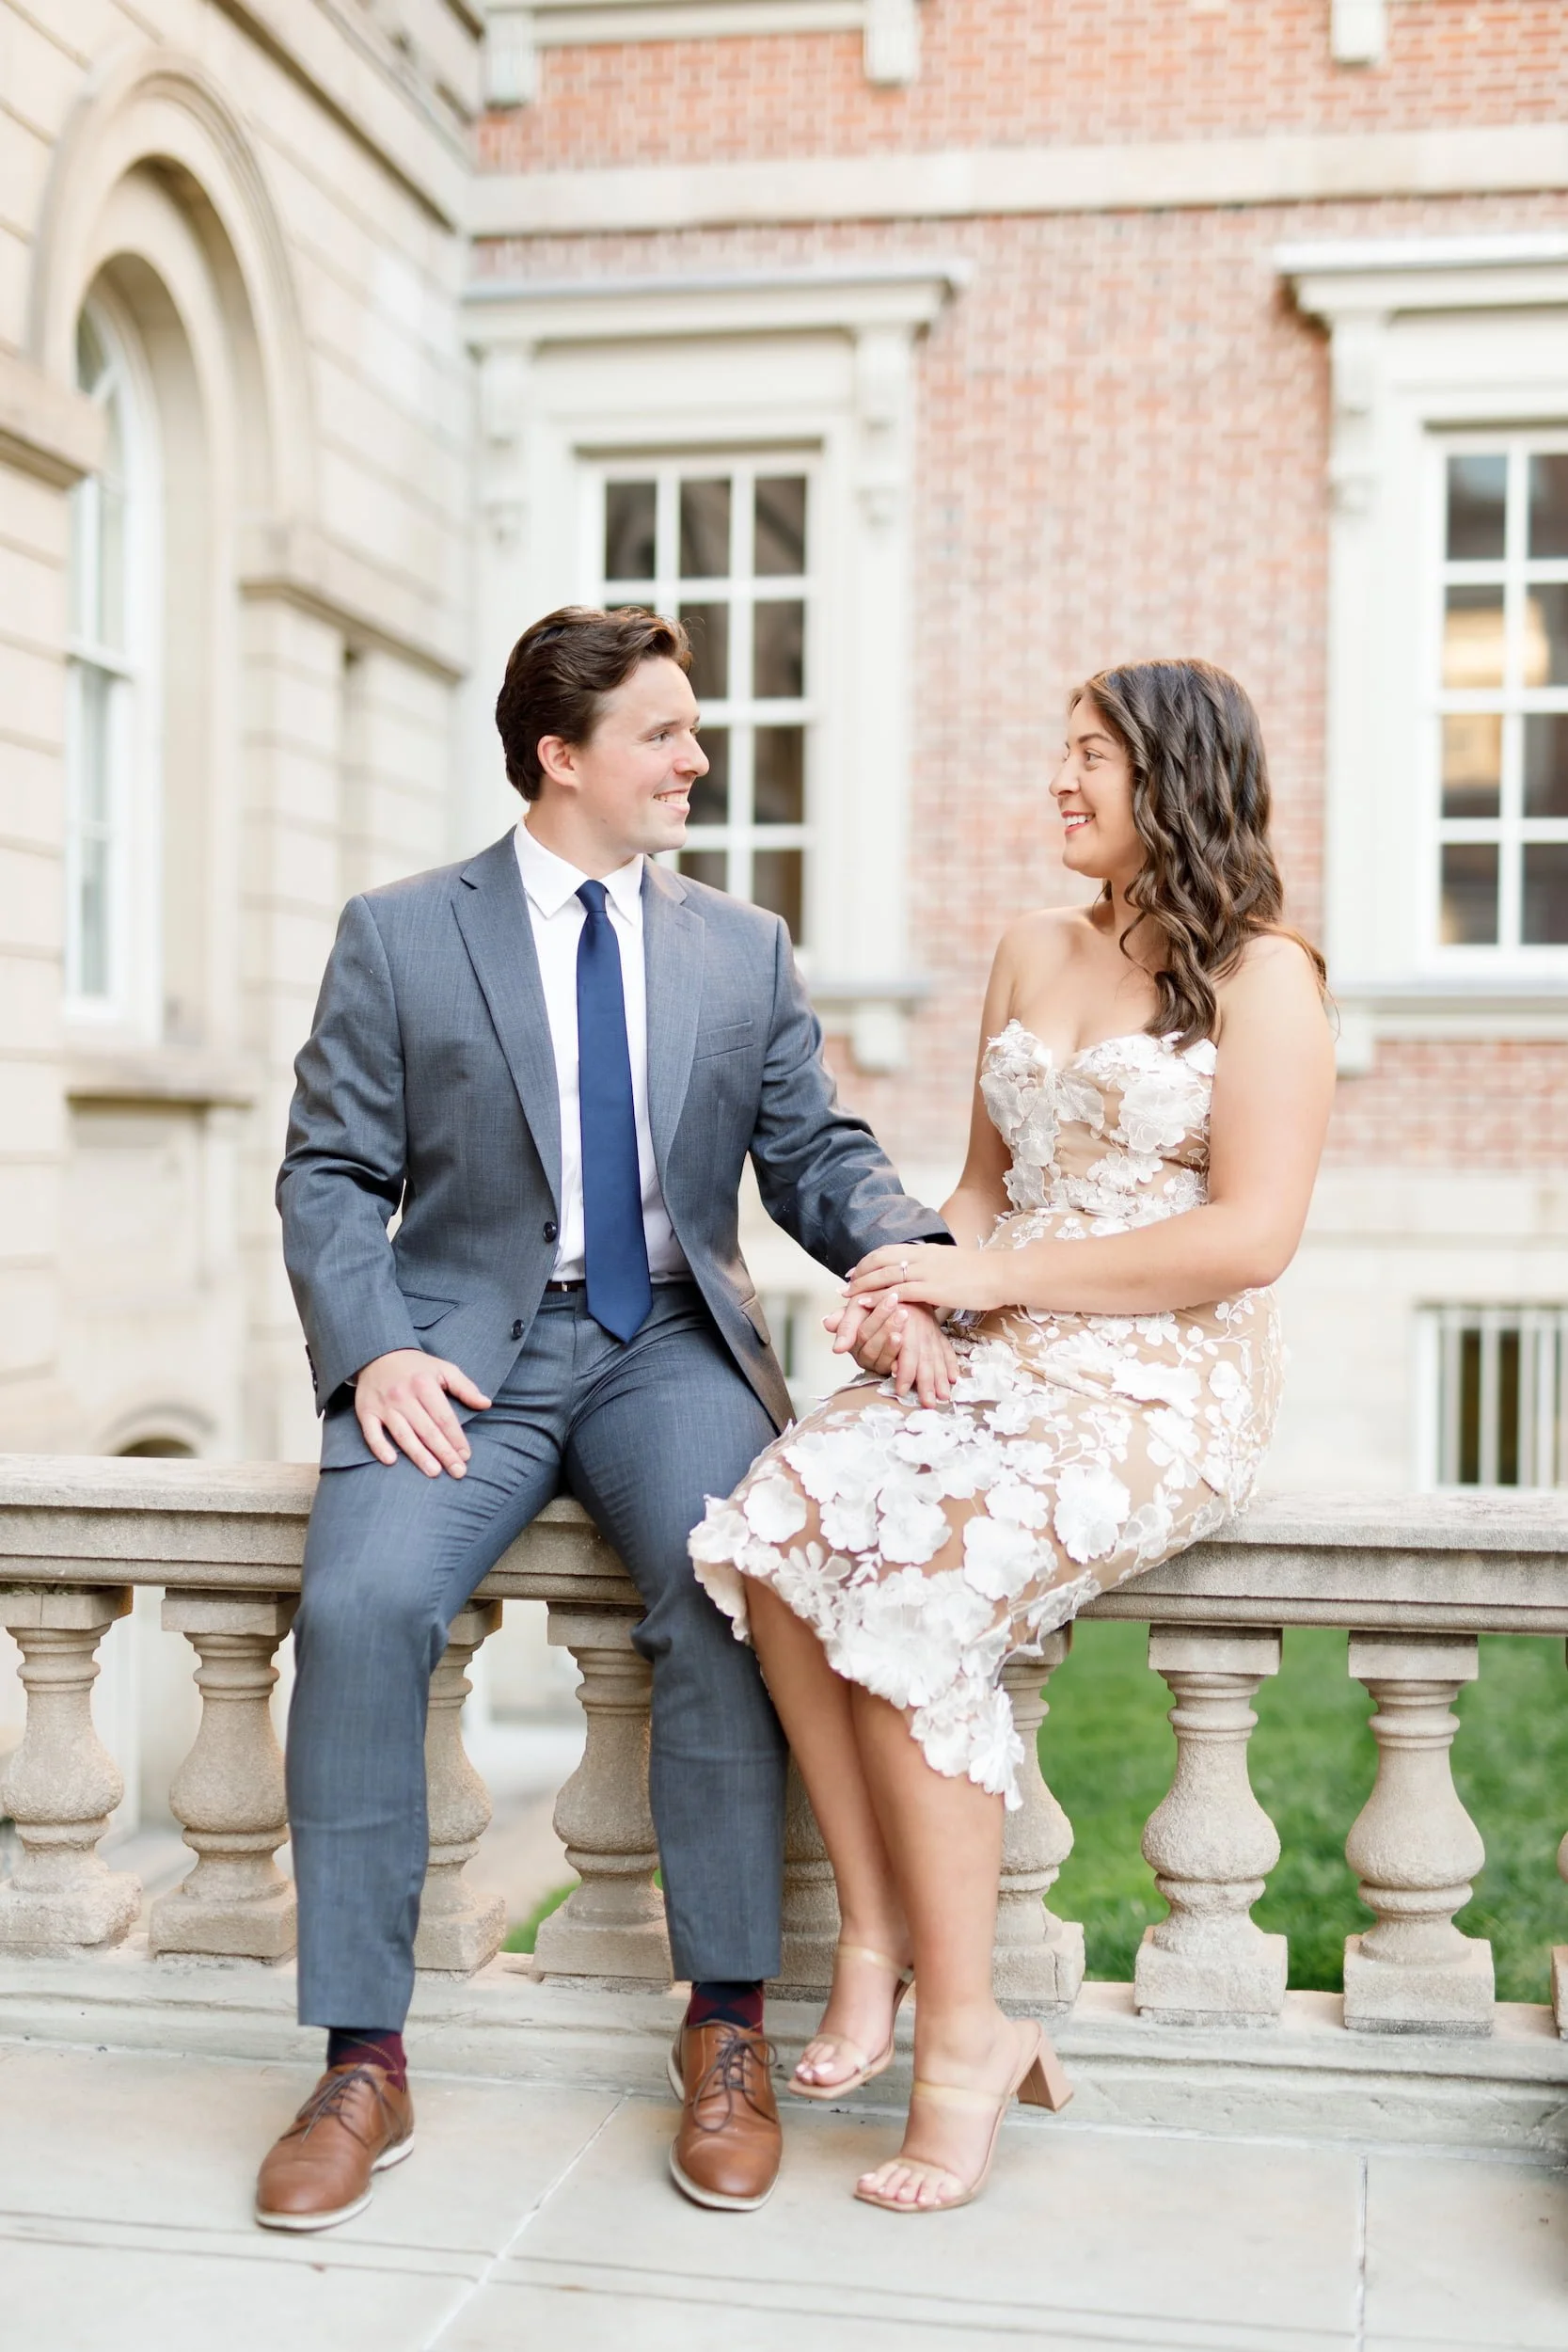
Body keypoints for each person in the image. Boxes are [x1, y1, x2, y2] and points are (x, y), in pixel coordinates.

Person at [255, 605, 958, 2230]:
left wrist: (911, 1264)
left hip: (667, 1350)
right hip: (461, 1354)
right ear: (559, 757)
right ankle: (362, 2056)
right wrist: (370, 1353)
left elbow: (816, 1159)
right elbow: (332, 1172)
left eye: (690, 729)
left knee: (727, 1597)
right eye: (662, 732)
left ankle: (725, 2025)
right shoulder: (401, 931)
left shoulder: (740, 945)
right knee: (358, 1605)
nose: (696, 758)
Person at [689, 659, 1336, 2214]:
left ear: (1172, 779)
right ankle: (873, 1939)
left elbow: (1247, 1240)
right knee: (771, 1526)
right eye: (1058, 752)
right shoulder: (1027, 946)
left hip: (1158, 1377)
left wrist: (990, 1278)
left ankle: (968, 2037)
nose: (1059, 782)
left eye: (1091, 757)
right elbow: (978, 1186)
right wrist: (916, 1293)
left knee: (918, 1595)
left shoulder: (1268, 980)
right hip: (1000, 1343)